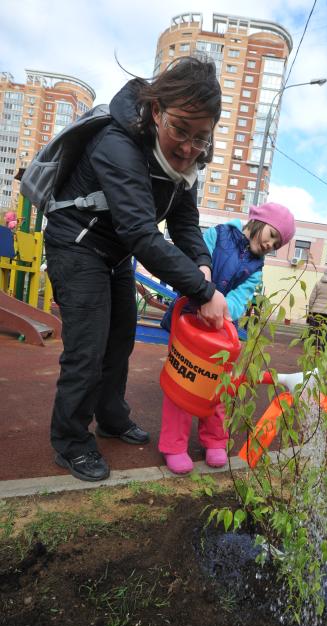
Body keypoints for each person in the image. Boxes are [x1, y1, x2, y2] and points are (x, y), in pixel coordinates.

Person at [44, 57, 230, 482]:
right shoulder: (118, 142)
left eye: (200, 137)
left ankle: (112, 416)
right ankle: (70, 442)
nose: (188, 147)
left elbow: (183, 221)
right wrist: (203, 293)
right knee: (87, 349)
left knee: (120, 341)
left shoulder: (189, 163)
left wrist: (201, 266)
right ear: (157, 111)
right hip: (77, 242)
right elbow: (142, 233)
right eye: (180, 129)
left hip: (115, 251)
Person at [158, 202, 296, 474]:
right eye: (272, 234)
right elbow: (197, 262)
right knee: (184, 383)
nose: (271, 244)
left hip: (221, 329)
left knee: (219, 388)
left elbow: (240, 299)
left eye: (277, 243)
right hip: (188, 319)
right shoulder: (218, 234)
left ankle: (215, 441)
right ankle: (173, 446)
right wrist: (204, 294)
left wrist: (220, 308)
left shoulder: (256, 268)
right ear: (257, 220)